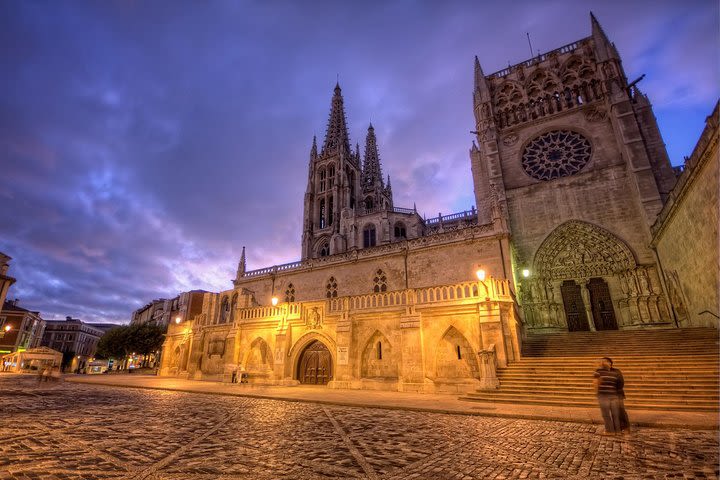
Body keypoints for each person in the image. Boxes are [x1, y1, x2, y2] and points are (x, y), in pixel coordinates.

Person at [593, 357, 627, 435]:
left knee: (606, 414)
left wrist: (597, 393)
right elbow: (620, 383)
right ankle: (618, 431)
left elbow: (596, 383)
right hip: (614, 395)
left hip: (604, 395)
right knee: (615, 414)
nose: (601, 363)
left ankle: (609, 431)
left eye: (603, 362)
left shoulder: (598, 372)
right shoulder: (615, 372)